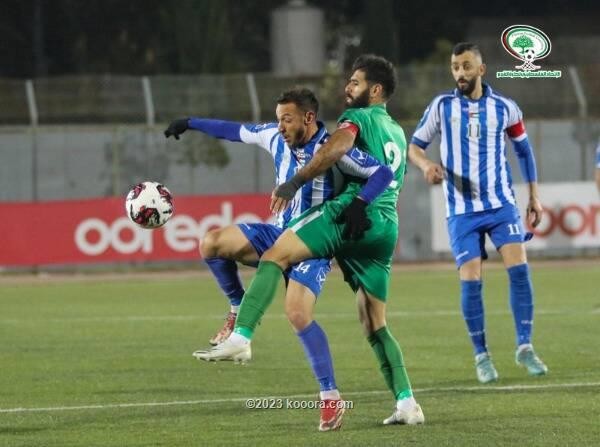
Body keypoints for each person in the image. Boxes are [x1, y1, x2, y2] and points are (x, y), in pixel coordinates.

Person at [195, 55, 425, 426]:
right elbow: (232, 129)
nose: (347, 88)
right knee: (374, 324)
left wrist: (298, 182)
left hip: (349, 216)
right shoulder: (398, 131)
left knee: (277, 261)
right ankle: (406, 402)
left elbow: (340, 149)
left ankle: (243, 335)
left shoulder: (357, 119)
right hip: (384, 226)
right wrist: (191, 123)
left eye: (354, 82)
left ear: (375, 90)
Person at [165, 87, 394, 431]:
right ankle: (237, 310)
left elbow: (383, 173)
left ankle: (330, 398)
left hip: (311, 245)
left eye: (287, 119)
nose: (281, 126)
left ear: (308, 118)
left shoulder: (332, 149)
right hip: (276, 234)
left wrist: (361, 202)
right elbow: (233, 130)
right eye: (278, 119)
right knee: (211, 243)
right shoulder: (274, 137)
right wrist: (190, 122)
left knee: (298, 315)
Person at [407, 42, 548, 384]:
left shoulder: (505, 108)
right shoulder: (441, 107)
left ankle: (525, 347)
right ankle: (482, 356)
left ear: (481, 70)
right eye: (455, 67)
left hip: (501, 205)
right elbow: (414, 146)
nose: (460, 73)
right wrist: (426, 165)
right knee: (471, 282)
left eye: (466, 66)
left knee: (520, 271)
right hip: (462, 211)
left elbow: (524, 152)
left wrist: (533, 197)